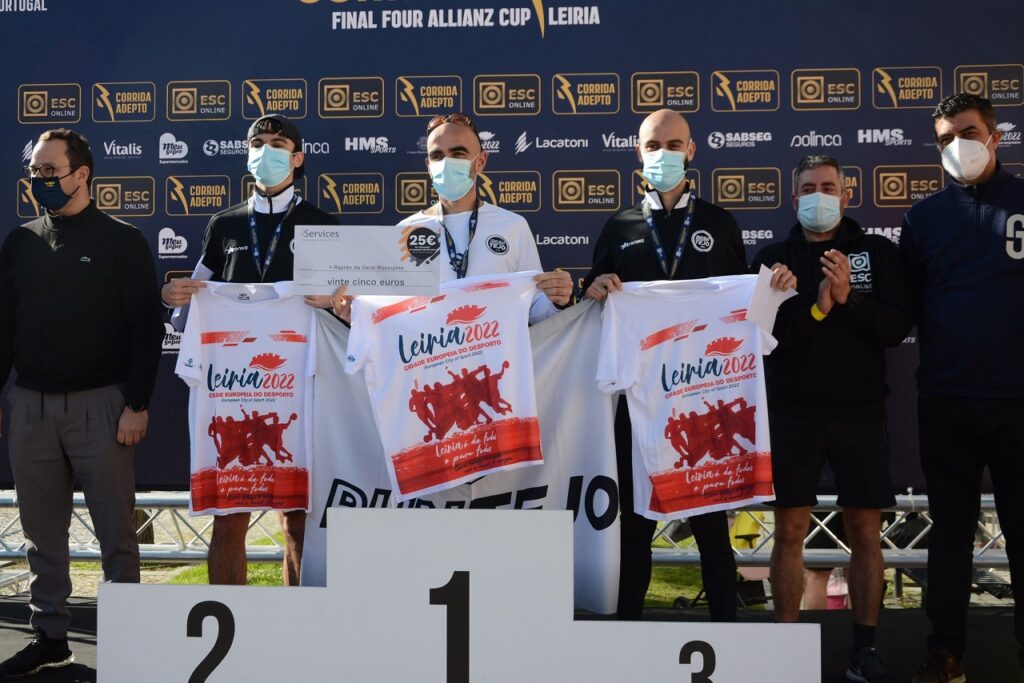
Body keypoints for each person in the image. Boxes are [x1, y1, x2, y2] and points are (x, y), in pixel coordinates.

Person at [582, 109, 796, 622]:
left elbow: (743, 305)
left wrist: (774, 289)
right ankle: (626, 637)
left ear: (691, 151)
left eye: (674, 144)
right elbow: (592, 300)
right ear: (638, 152)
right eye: (654, 145)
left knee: (711, 531)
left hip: (703, 402)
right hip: (639, 401)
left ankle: (725, 633)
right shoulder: (619, 226)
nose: (664, 154)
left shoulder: (719, 223)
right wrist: (595, 289)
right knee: (635, 529)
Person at [0, 129, 163, 677]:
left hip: (103, 406)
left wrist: (137, 403)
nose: (40, 180)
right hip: (30, 407)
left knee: (117, 532)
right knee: (41, 534)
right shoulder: (19, 242)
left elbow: (145, 329)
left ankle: (128, 641)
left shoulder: (122, 240)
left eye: (51, 171)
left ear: (82, 174)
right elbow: (4, 330)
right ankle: (49, 637)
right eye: (35, 172)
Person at [753, 154, 913, 682]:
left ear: (846, 196)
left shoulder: (878, 252)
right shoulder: (774, 259)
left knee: (865, 532)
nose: (817, 195)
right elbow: (764, 341)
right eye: (808, 188)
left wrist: (848, 300)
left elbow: (894, 328)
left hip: (860, 413)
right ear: (793, 198)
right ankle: (784, 649)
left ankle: (864, 649)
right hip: (793, 413)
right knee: (790, 531)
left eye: (827, 186)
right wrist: (819, 308)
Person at [162, 114, 338, 587]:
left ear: (297, 158)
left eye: (278, 143)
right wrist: (173, 297)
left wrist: (336, 301)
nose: (266, 151)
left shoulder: (322, 224)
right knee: (228, 517)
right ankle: (229, 617)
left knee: (297, 521)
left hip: (298, 388)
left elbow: (346, 310)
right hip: (232, 392)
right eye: (257, 143)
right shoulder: (224, 224)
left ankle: (300, 621)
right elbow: (191, 297)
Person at [900, 92, 1024, 683]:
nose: (957, 146)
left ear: (995, 135)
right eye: (945, 138)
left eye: (967, 133)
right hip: (946, 400)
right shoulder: (922, 219)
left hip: (1018, 402)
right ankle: (945, 652)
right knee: (949, 534)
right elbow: (903, 310)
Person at [330, 112, 572, 324]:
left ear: (481, 161)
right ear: (428, 166)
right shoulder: (406, 230)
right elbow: (393, 315)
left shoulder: (513, 226)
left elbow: (534, 311)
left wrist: (557, 299)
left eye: (458, 153)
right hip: (429, 360)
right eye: (437, 156)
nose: (446, 163)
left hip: (493, 361)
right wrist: (355, 313)